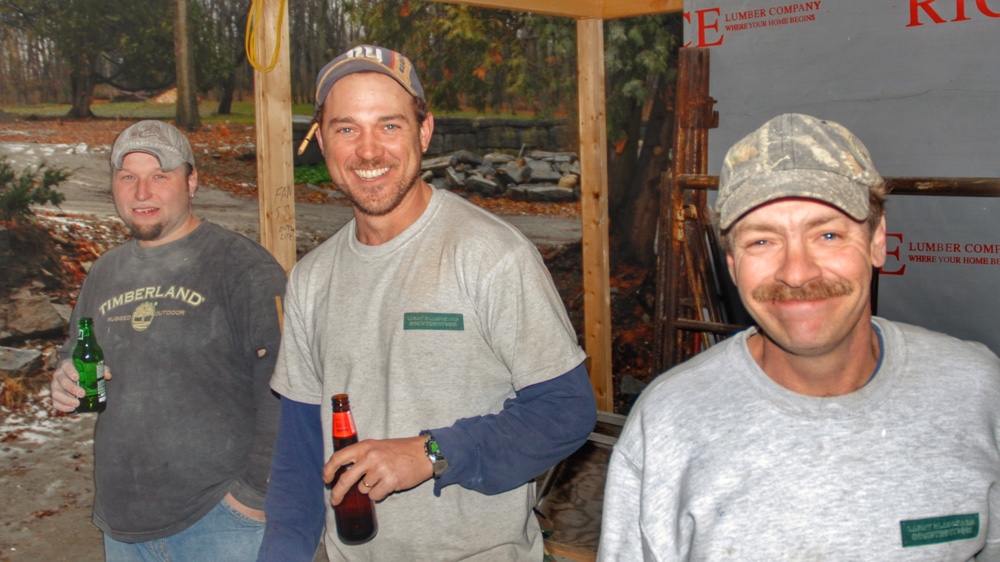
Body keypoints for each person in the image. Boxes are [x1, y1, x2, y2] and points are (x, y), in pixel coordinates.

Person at [598, 113, 1000, 560]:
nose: (797, 272)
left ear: (877, 240)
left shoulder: (977, 391)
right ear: (731, 265)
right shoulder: (670, 423)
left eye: (827, 234)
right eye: (762, 242)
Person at [257, 44, 597, 561]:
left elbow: (567, 411)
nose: (368, 151)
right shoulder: (311, 278)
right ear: (321, 139)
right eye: (347, 128)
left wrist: (431, 452)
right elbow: (301, 449)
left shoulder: (491, 255)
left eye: (389, 126)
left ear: (424, 131)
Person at [50, 120, 287, 561]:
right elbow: (75, 351)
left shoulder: (242, 267)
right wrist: (64, 377)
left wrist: (252, 497)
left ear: (191, 181)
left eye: (159, 176)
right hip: (122, 523)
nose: (142, 193)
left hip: (219, 523)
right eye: (128, 177)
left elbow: (287, 387)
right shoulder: (104, 273)